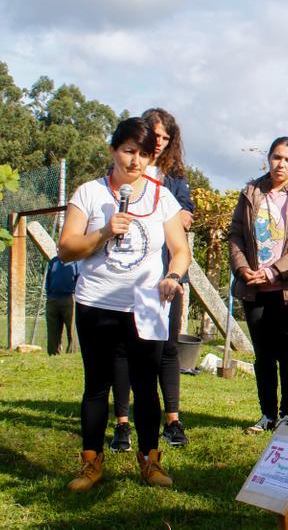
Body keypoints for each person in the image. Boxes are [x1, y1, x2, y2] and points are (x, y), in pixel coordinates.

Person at [59, 117, 190, 491]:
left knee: (146, 385)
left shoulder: (162, 196)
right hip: (96, 301)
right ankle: (91, 462)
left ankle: (150, 460)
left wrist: (173, 277)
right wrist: (102, 232)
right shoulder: (89, 193)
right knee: (97, 385)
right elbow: (67, 249)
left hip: (146, 305)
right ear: (113, 150)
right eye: (129, 151)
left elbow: (180, 250)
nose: (135, 161)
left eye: (144, 154)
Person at [109, 108, 196, 451]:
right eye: (153, 136)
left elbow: (185, 213)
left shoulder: (173, 179)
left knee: (167, 347)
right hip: (125, 275)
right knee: (122, 350)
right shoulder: (123, 172)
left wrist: (181, 214)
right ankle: (122, 425)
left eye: (164, 138)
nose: (158, 143)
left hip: (165, 275)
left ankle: (172, 421)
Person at [228, 136, 288, 433]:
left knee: (287, 352)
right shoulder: (250, 192)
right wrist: (244, 269)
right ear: (268, 158)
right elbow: (236, 236)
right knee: (264, 355)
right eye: (276, 157)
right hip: (253, 289)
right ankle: (267, 414)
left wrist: (273, 273)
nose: (280, 164)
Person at [45, 256, 79, 355]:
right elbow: (49, 278)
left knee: (72, 327)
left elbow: (79, 278)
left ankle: (71, 352)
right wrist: (49, 293)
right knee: (52, 328)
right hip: (53, 298)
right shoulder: (53, 261)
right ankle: (53, 353)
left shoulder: (76, 262)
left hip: (69, 297)